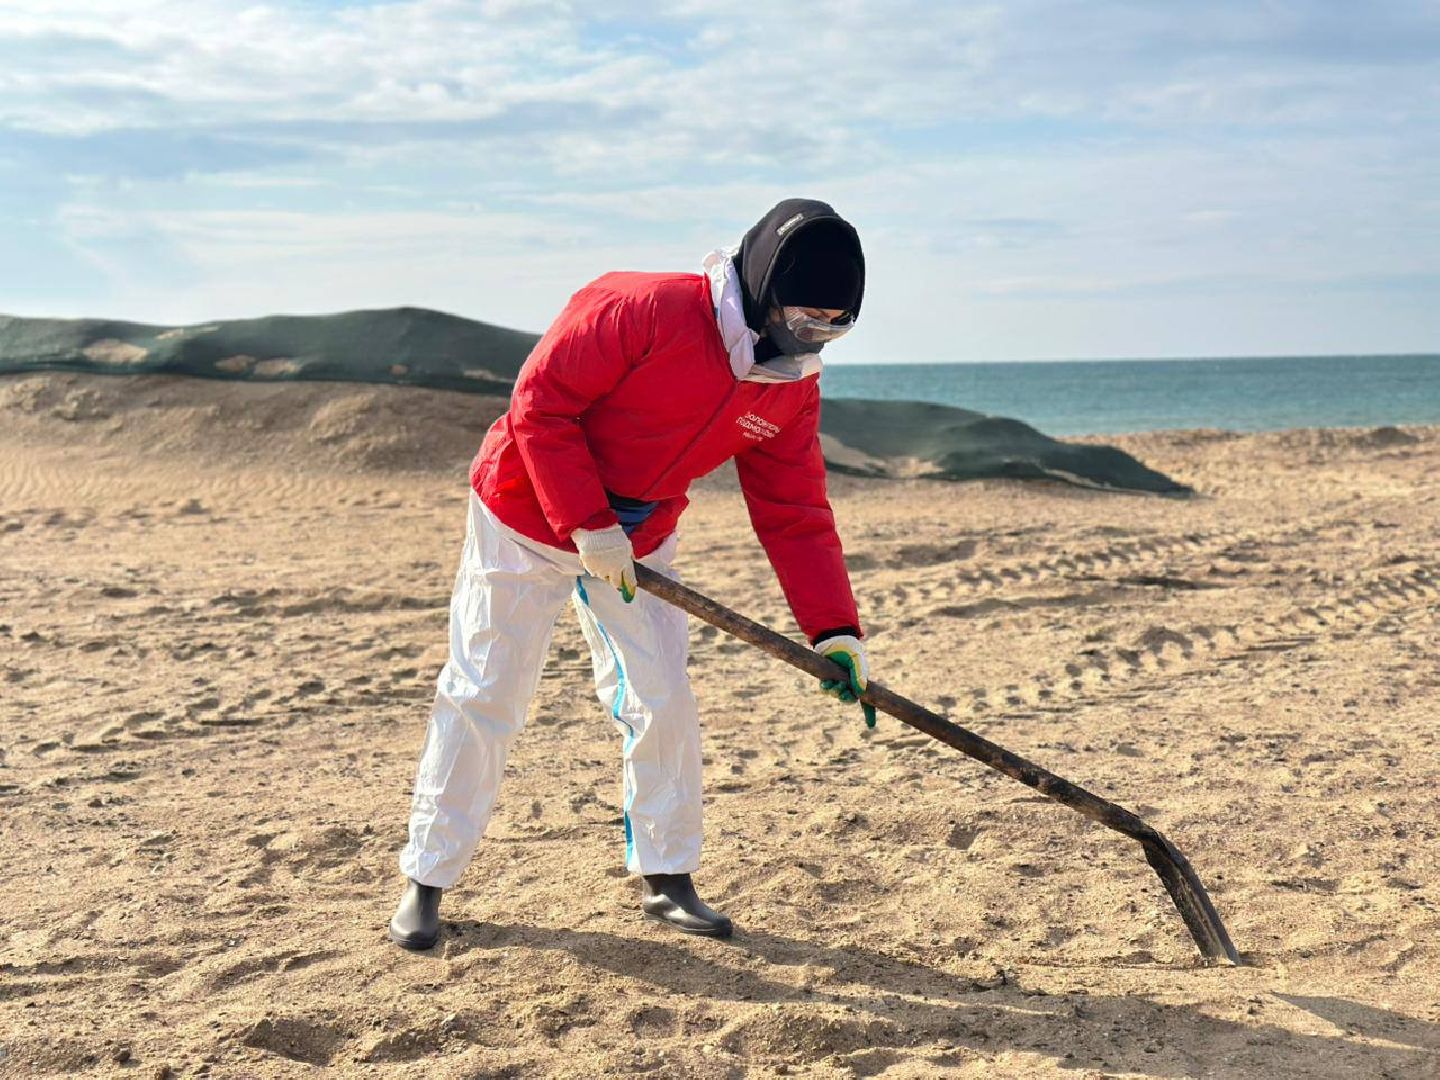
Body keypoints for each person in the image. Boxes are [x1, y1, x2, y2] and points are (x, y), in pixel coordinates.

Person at [389, 197, 875, 949]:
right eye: (804, 321)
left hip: (641, 539)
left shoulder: (789, 385)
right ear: (761, 287)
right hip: (523, 516)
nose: (810, 340)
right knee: (486, 690)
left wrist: (835, 629)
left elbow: (794, 510)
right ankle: (427, 880)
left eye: (831, 329)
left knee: (662, 695)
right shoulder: (640, 308)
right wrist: (586, 523)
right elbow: (539, 403)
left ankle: (667, 875)